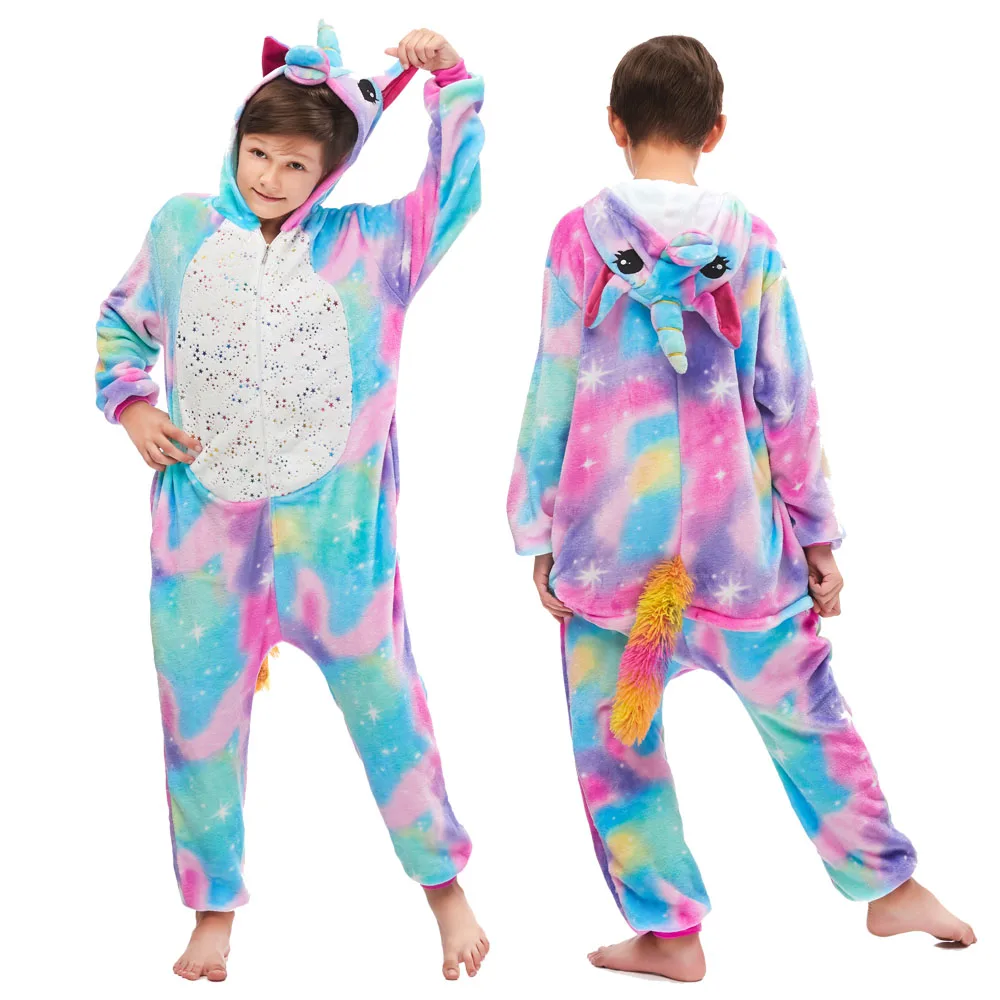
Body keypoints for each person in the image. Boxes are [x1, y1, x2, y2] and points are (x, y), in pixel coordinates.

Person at [506, 33, 974, 983]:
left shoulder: (576, 240)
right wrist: (816, 534)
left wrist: (536, 527)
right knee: (808, 714)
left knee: (619, 745)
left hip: (611, 552)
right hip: (741, 552)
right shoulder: (749, 240)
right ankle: (888, 886)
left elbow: (552, 386)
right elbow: (786, 393)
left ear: (614, 126)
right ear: (715, 130)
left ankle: (669, 931)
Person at [95, 21, 488, 983]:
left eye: (295, 164)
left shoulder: (374, 245)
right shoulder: (182, 228)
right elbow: (120, 325)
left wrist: (450, 85)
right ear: (236, 141)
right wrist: (133, 405)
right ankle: (212, 910)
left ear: (330, 171)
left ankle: (445, 888)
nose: (270, 176)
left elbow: (454, 190)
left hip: (338, 548)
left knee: (391, 712)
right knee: (198, 726)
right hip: (203, 545)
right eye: (258, 152)